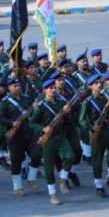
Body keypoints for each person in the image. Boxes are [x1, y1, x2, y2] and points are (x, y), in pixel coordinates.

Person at [30, 78, 75, 206]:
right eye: (50, 88)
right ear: (45, 90)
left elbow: (69, 121)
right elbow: (32, 123)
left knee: (70, 156)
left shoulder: (61, 103)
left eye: (54, 88)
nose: (53, 90)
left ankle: (63, 178)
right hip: (48, 139)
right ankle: (53, 194)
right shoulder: (41, 106)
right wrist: (43, 128)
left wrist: (67, 113)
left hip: (60, 136)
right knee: (49, 168)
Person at [0, 77, 43, 197]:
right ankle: (17, 187)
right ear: (9, 87)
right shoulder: (5, 102)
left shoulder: (27, 99)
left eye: (19, 85)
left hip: (29, 132)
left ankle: (31, 177)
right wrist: (11, 123)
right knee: (16, 161)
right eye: (15, 86)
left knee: (37, 154)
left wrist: (36, 108)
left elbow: (33, 113)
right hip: (15, 135)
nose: (18, 87)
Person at [79, 74, 109, 197]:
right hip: (95, 133)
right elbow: (82, 120)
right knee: (97, 160)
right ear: (91, 86)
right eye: (96, 83)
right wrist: (91, 127)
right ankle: (99, 186)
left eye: (100, 82)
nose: (99, 85)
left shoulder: (106, 98)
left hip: (108, 130)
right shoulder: (87, 102)